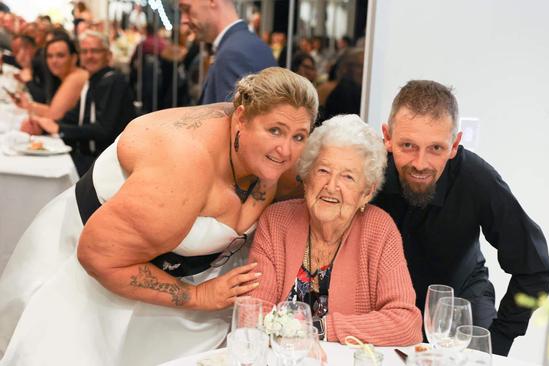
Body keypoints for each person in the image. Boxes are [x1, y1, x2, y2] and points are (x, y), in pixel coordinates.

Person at [0, 67, 318, 365]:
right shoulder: (182, 169)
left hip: (182, 304)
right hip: (96, 291)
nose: (286, 151)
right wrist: (197, 295)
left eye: (299, 137)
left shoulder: (275, 158)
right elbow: (99, 257)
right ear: (241, 118)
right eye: (274, 131)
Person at [371, 80, 549, 355]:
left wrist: (500, 338)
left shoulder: (478, 179)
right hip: (384, 301)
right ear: (387, 137)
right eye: (408, 145)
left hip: (461, 298)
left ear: (455, 144)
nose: (420, 163)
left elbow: (535, 269)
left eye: (436, 148)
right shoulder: (367, 170)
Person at [248, 115, 422, 346]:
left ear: (367, 193)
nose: (331, 186)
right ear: (307, 177)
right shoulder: (276, 221)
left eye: (348, 177)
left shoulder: (379, 229)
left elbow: (406, 324)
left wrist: (320, 329)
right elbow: (251, 314)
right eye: (323, 171)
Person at [21, 31, 136, 176]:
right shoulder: (94, 80)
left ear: (108, 55)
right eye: (85, 51)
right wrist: (44, 128)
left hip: (104, 164)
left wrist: (59, 129)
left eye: (95, 51)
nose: (89, 56)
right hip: (90, 158)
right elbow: (74, 116)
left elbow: (103, 130)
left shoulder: (112, 81)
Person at [179, 0, 276, 104]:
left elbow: (237, 118)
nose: (183, 20)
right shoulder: (248, 44)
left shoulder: (233, 54)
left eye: (187, 9)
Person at [14, 36, 88, 120]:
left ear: (74, 58)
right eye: (49, 56)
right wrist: (28, 105)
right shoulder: (63, 76)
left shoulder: (76, 77)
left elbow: (54, 116)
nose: (54, 61)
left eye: (60, 56)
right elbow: (54, 109)